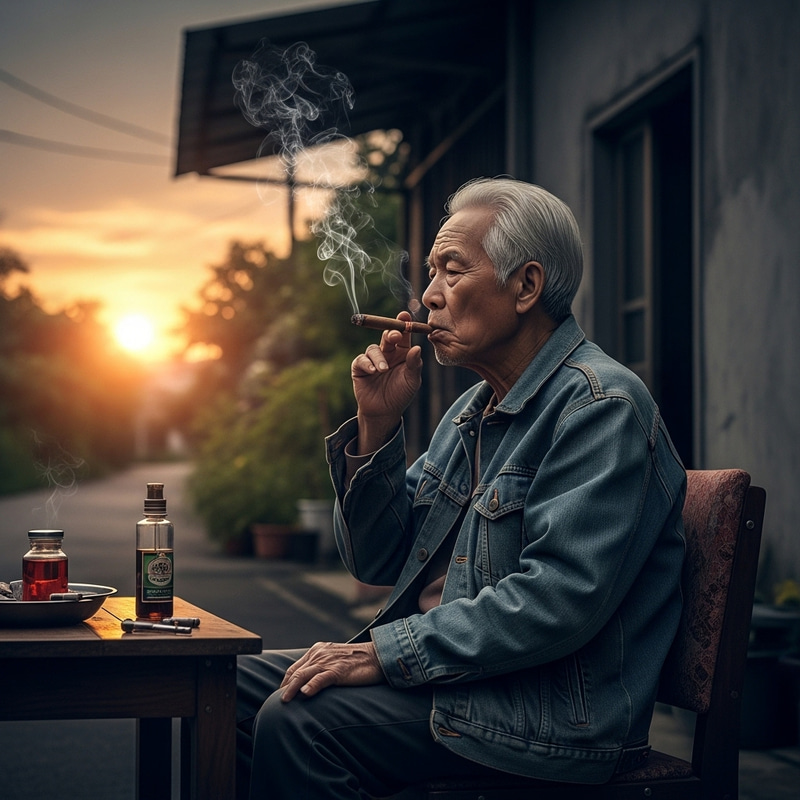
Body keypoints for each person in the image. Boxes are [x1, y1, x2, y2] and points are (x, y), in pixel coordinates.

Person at [236, 177, 686, 799]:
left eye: (452, 271)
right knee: (231, 688)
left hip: (541, 715)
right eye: (430, 274)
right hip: (458, 681)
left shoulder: (598, 406)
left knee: (299, 723)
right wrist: (376, 426)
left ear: (526, 286)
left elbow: (558, 600)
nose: (427, 296)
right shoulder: (472, 413)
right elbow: (378, 561)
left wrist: (385, 654)